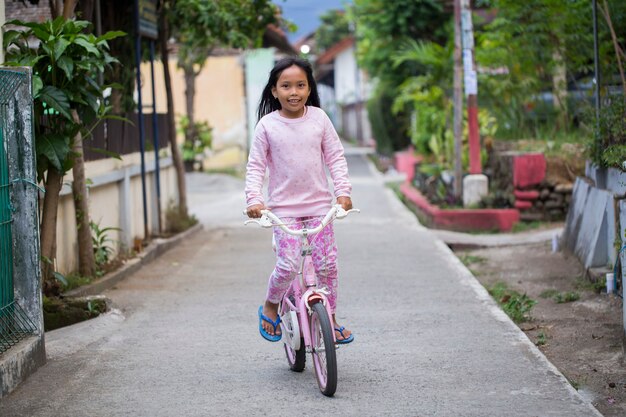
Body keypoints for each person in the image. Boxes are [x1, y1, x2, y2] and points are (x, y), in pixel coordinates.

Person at [245, 57, 354, 344]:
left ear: (308, 89)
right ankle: (271, 304)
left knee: (328, 265)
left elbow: (335, 157)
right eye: (286, 86)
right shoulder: (267, 126)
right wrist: (255, 200)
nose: (293, 92)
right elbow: (256, 166)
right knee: (288, 264)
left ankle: (329, 318)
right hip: (283, 211)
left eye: (300, 85)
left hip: (320, 207)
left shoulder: (319, 118)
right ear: (274, 91)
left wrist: (343, 193)